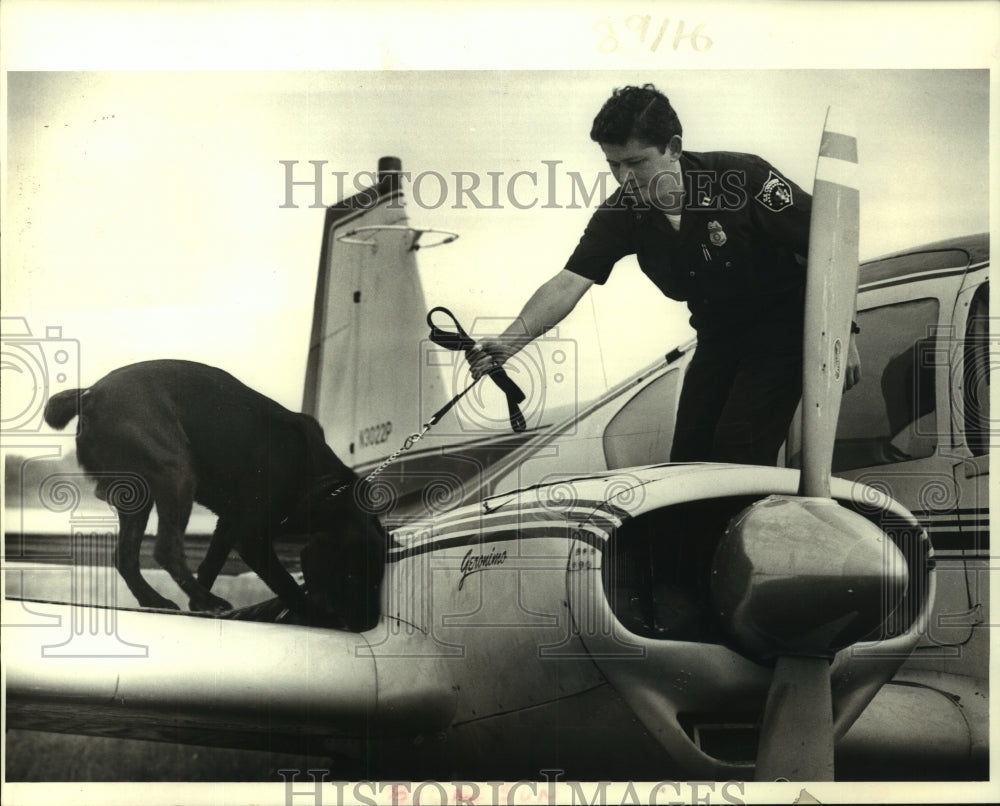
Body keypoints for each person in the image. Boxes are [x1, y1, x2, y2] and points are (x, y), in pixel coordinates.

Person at [467, 83, 860, 466]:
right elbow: (570, 280)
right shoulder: (622, 213)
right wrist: (507, 343)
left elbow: (829, 244)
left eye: (636, 163)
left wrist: (842, 332)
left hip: (783, 329)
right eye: (613, 164)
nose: (624, 178)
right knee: (688, 459)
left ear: (673, 147)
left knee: (737, 452)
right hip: (717, 337)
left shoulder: (740, 178)